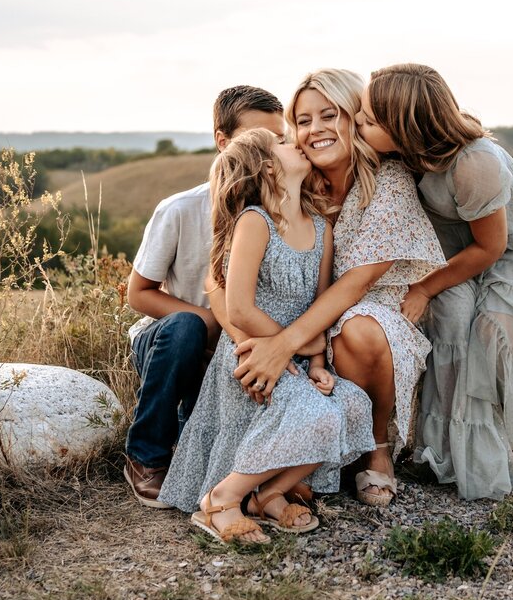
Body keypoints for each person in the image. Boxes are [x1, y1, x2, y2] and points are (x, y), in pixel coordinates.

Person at [232, 69, 445, 507]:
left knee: (357, 326)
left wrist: (283, 345)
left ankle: (376, 447)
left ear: (355, 118)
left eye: (330, 115)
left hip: (376, 313)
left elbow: (356, 284)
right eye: (304, 121)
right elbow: (225, 267)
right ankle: (277, 463)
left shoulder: (388, 181)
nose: (316, 130)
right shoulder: (291, 180)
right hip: (299, 319)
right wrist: (259, 338)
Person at [356, 62, 513, 501]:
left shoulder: (474, 164)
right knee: (452, 318)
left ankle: (511, 433)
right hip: (453, 235)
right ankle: (441, 445)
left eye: (368, 120)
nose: (358, 123)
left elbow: (490, 248)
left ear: (404, 126)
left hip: (508, 241)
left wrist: (424, 287)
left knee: (494, 326)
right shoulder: (400, 155)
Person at [158, 128, 374, 543]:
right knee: (318, 416)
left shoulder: (320, 228)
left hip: (294, 358)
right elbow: (238, 307)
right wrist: (286, 346)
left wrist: (314, 362)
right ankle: (222, 500)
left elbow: (320, 303)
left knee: (351, 406)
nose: (296, 142)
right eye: (282, 143)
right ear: (267, 166)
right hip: (252, 354)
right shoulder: (255, 222)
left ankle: (267, 495)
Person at [123, 86, 284, 508]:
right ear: (223, 141)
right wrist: (209, 318)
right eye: (258, 139)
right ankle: (145, 456)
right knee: (187, 327)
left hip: (233, 348)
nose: (271, 151)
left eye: (279, 140)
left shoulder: (282, 215)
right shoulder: (180, 209)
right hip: (171, 342)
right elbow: (138, 294)